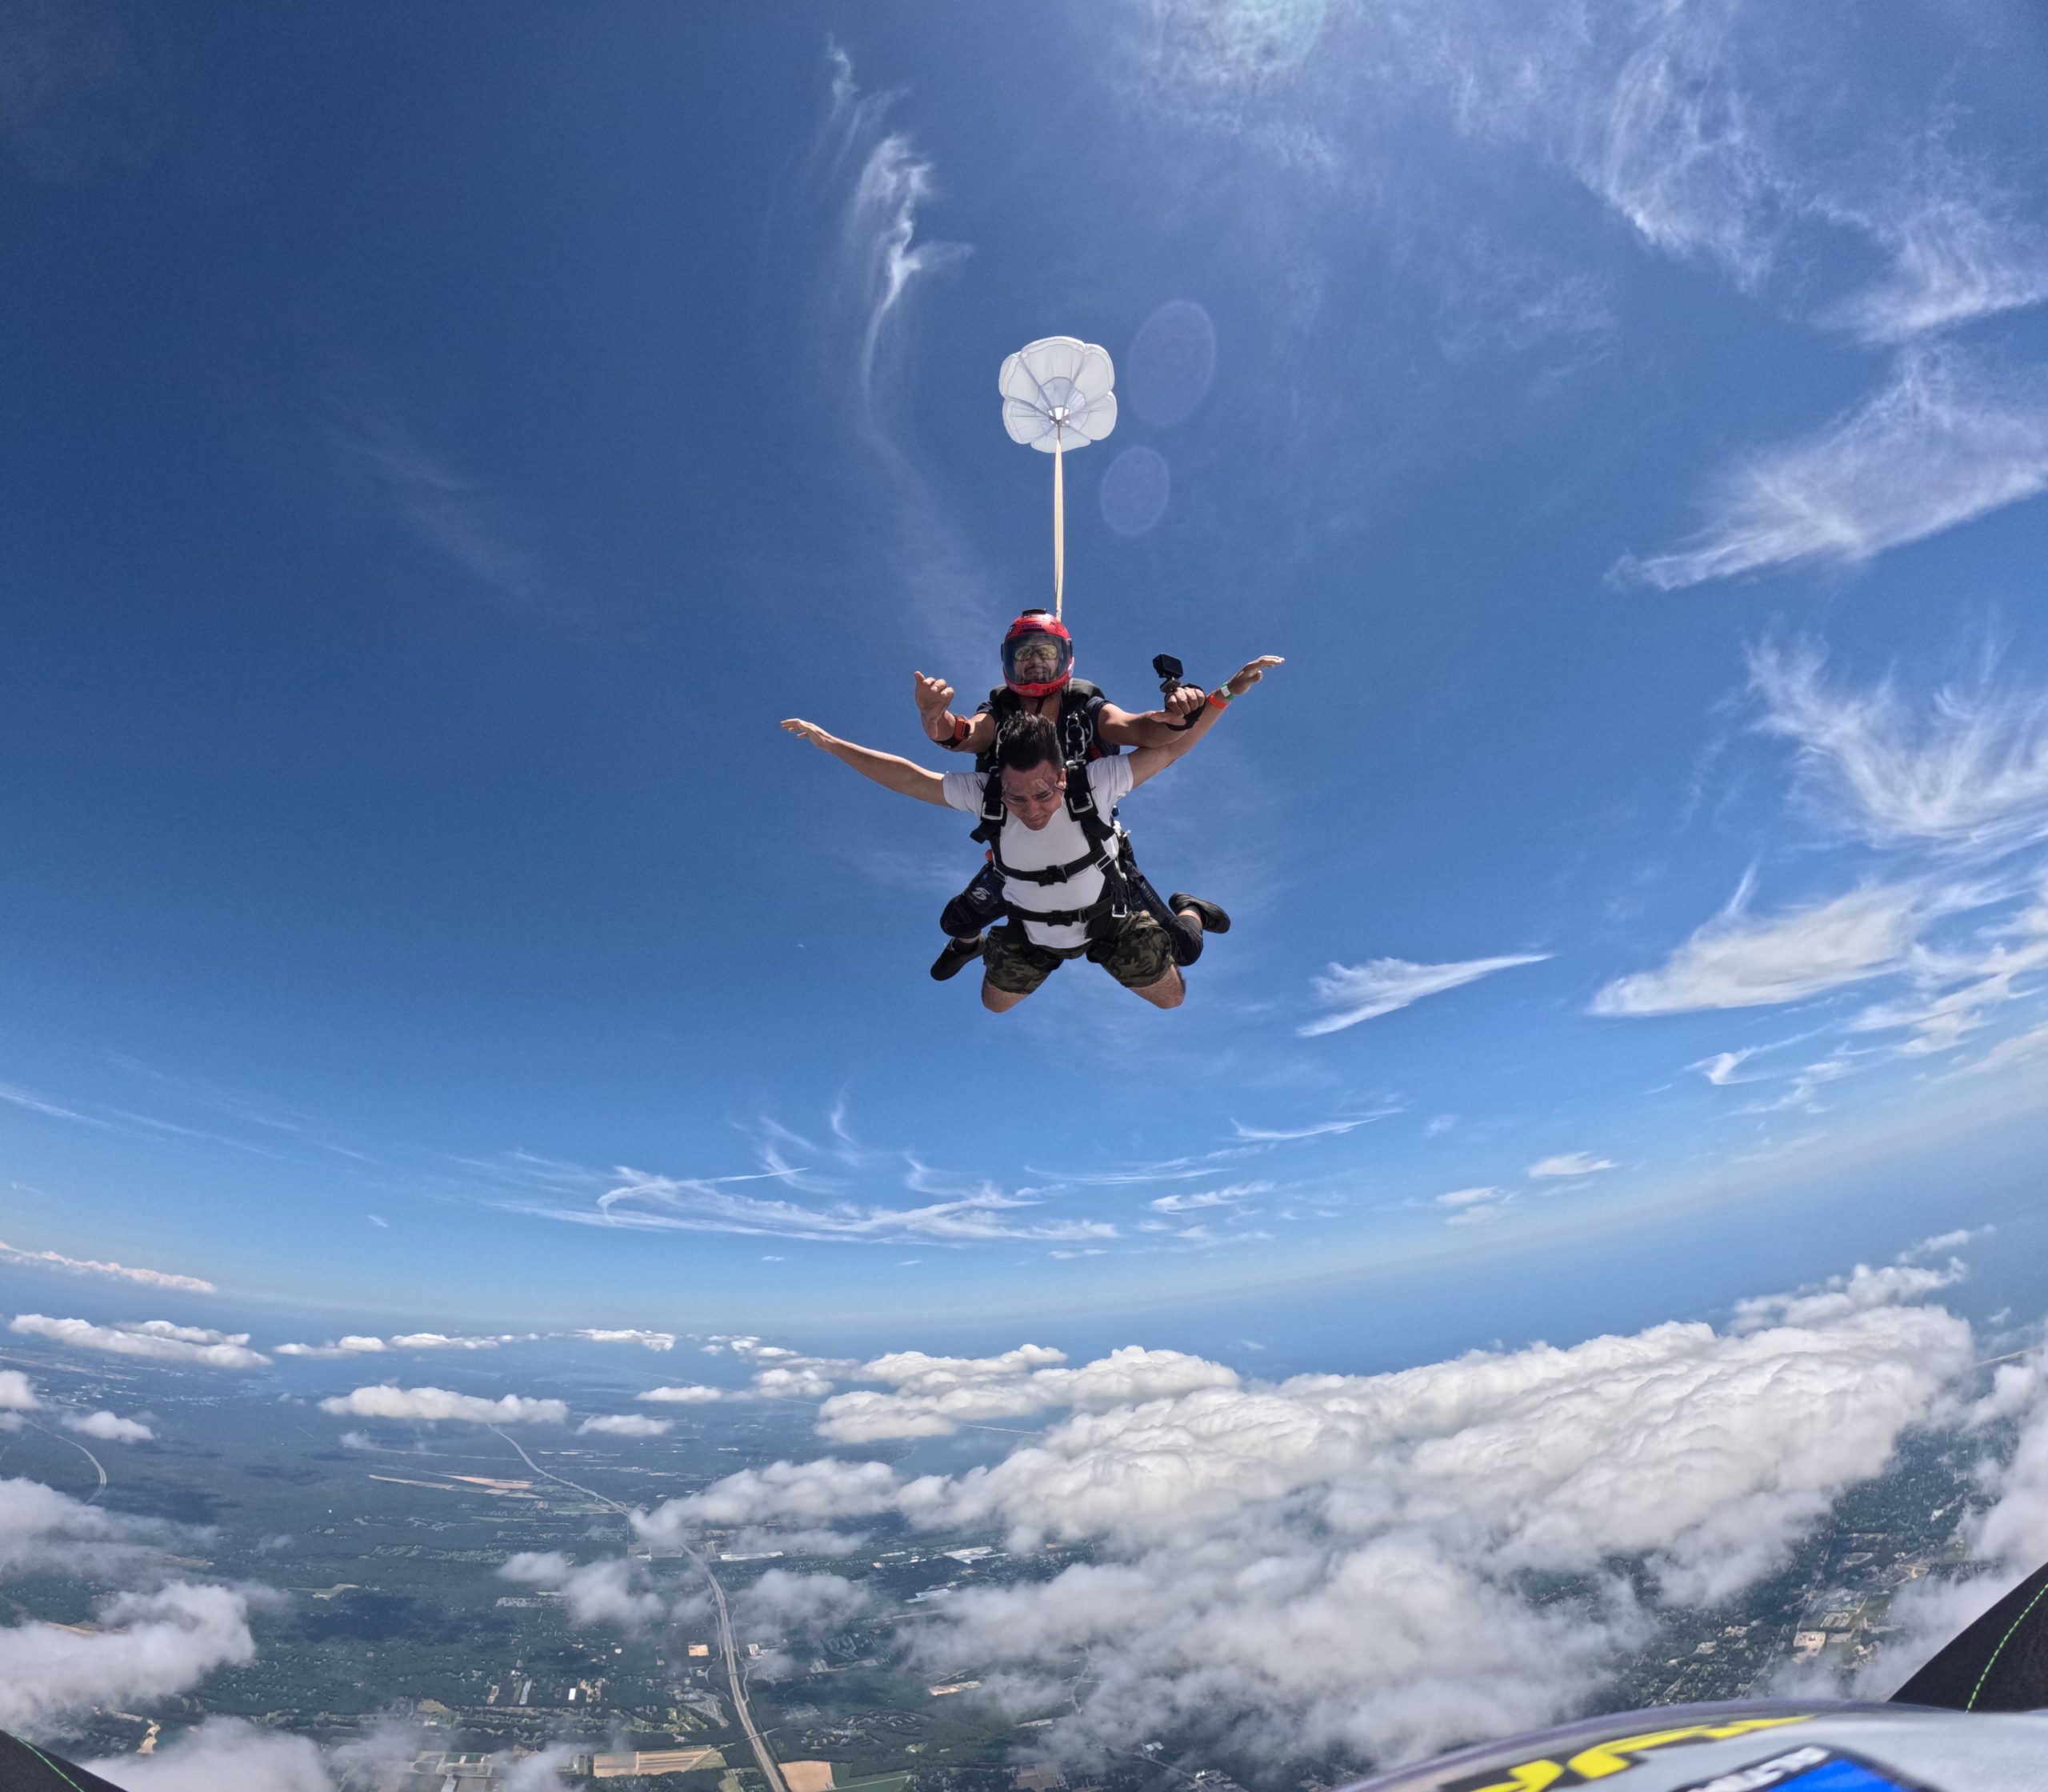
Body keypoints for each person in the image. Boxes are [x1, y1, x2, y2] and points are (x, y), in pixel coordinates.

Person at [782, 654, 1282, 1012]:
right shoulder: (989, 792)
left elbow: (1172, 745)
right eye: (1016, 797)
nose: (1032, 809)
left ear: (1063, 775)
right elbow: (910, 777)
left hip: (1110, 921)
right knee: (993, 1005)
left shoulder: (1095, 781)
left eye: (1044, 795)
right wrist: (832, 745)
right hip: (1034, 932)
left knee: (1174, 989)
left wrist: (1225, 692)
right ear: (1000, 781)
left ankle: (1191, 909)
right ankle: (974, 943)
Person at [912, 609, 1218, 981]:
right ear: (1008, 662)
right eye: (1024, 653)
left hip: (1092, 846)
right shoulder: (1000, 707)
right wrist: (934, 718)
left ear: (1064, 657)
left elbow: (1137, 730)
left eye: (1045, 652)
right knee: (955, 921)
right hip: (1017, 846)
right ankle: (967, 944)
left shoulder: (1085, 704)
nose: (1036, 662)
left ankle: (1191, 910)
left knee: (1184, 949)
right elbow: (966, 735)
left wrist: (1178, 717)